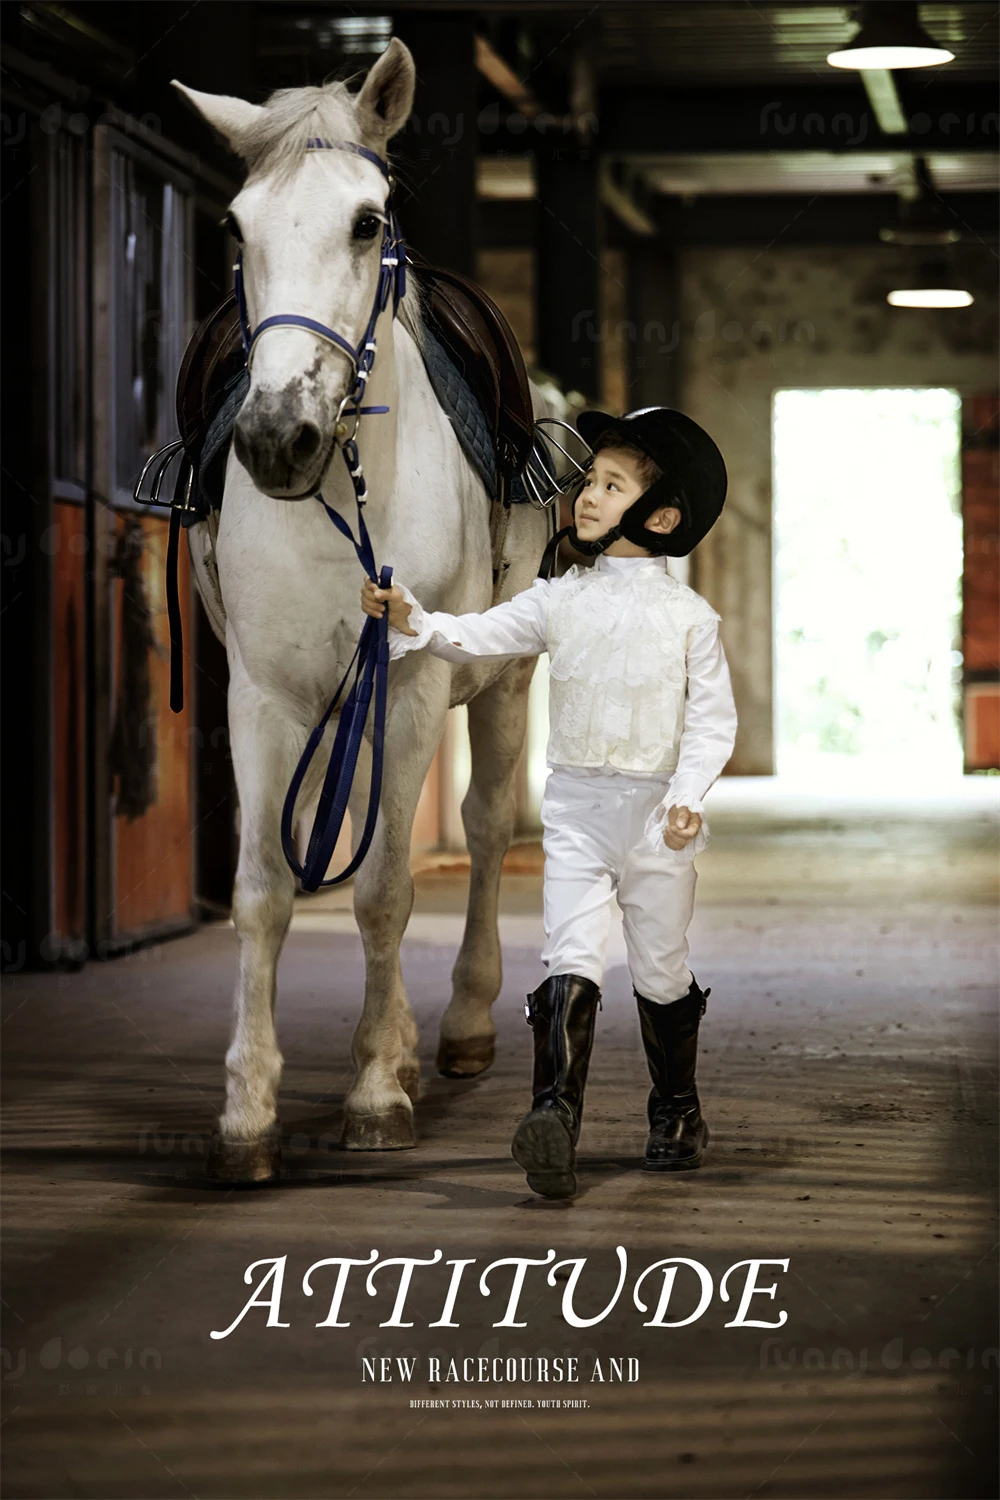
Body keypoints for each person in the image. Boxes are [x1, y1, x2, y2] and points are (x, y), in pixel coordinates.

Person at [361, 406, 737, 1199]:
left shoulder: (689, 620)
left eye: (610, 485)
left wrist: (687, 795)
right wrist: (415, 620)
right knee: (569, 954)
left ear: (661, 516)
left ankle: (675, 1112)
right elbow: (479, 633)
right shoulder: (559, 598)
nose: (587, 497)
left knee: (661, 969)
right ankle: (552, 1119)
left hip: (655, 822)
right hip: (576, 811)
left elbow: (711, 720)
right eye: (589, 481)